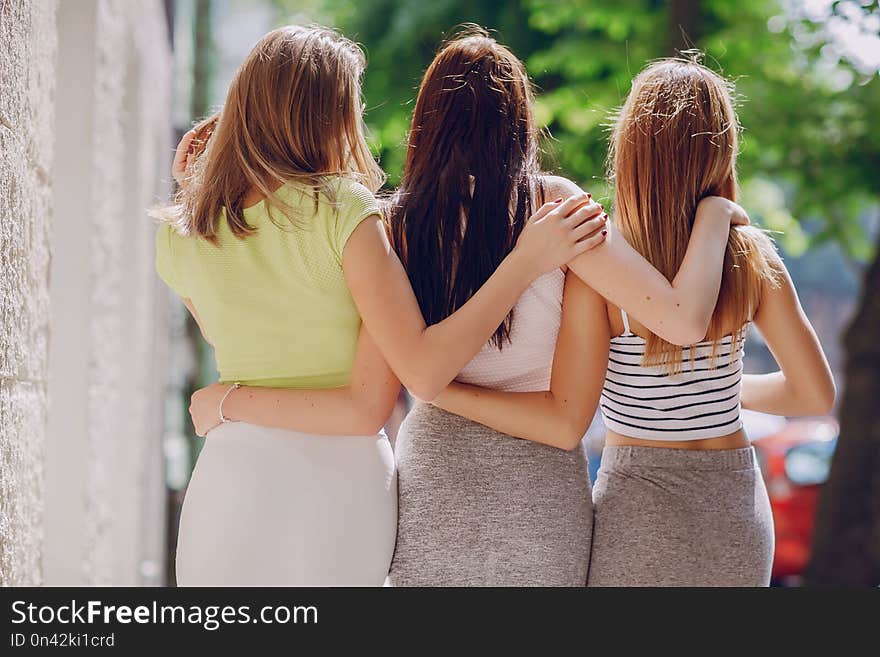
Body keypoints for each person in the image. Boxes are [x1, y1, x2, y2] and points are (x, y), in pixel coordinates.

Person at [186, 30, 748, 586]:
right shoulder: (557, 211)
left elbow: (284, 275)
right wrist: (715, 213)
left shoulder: (391, 228)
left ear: (425, 124)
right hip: (542, 505)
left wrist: (214, 161)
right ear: (521, 124)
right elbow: (588, 401)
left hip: (432, 487)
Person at [430, 57, 835, 587]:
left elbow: (577, 398)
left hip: (638, 497)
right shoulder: (751, 259)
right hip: (733, 502)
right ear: (720, 155)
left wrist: (441, 386)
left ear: (630, 152)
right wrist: (721, 388)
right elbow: (812, 396)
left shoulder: (600, 263)